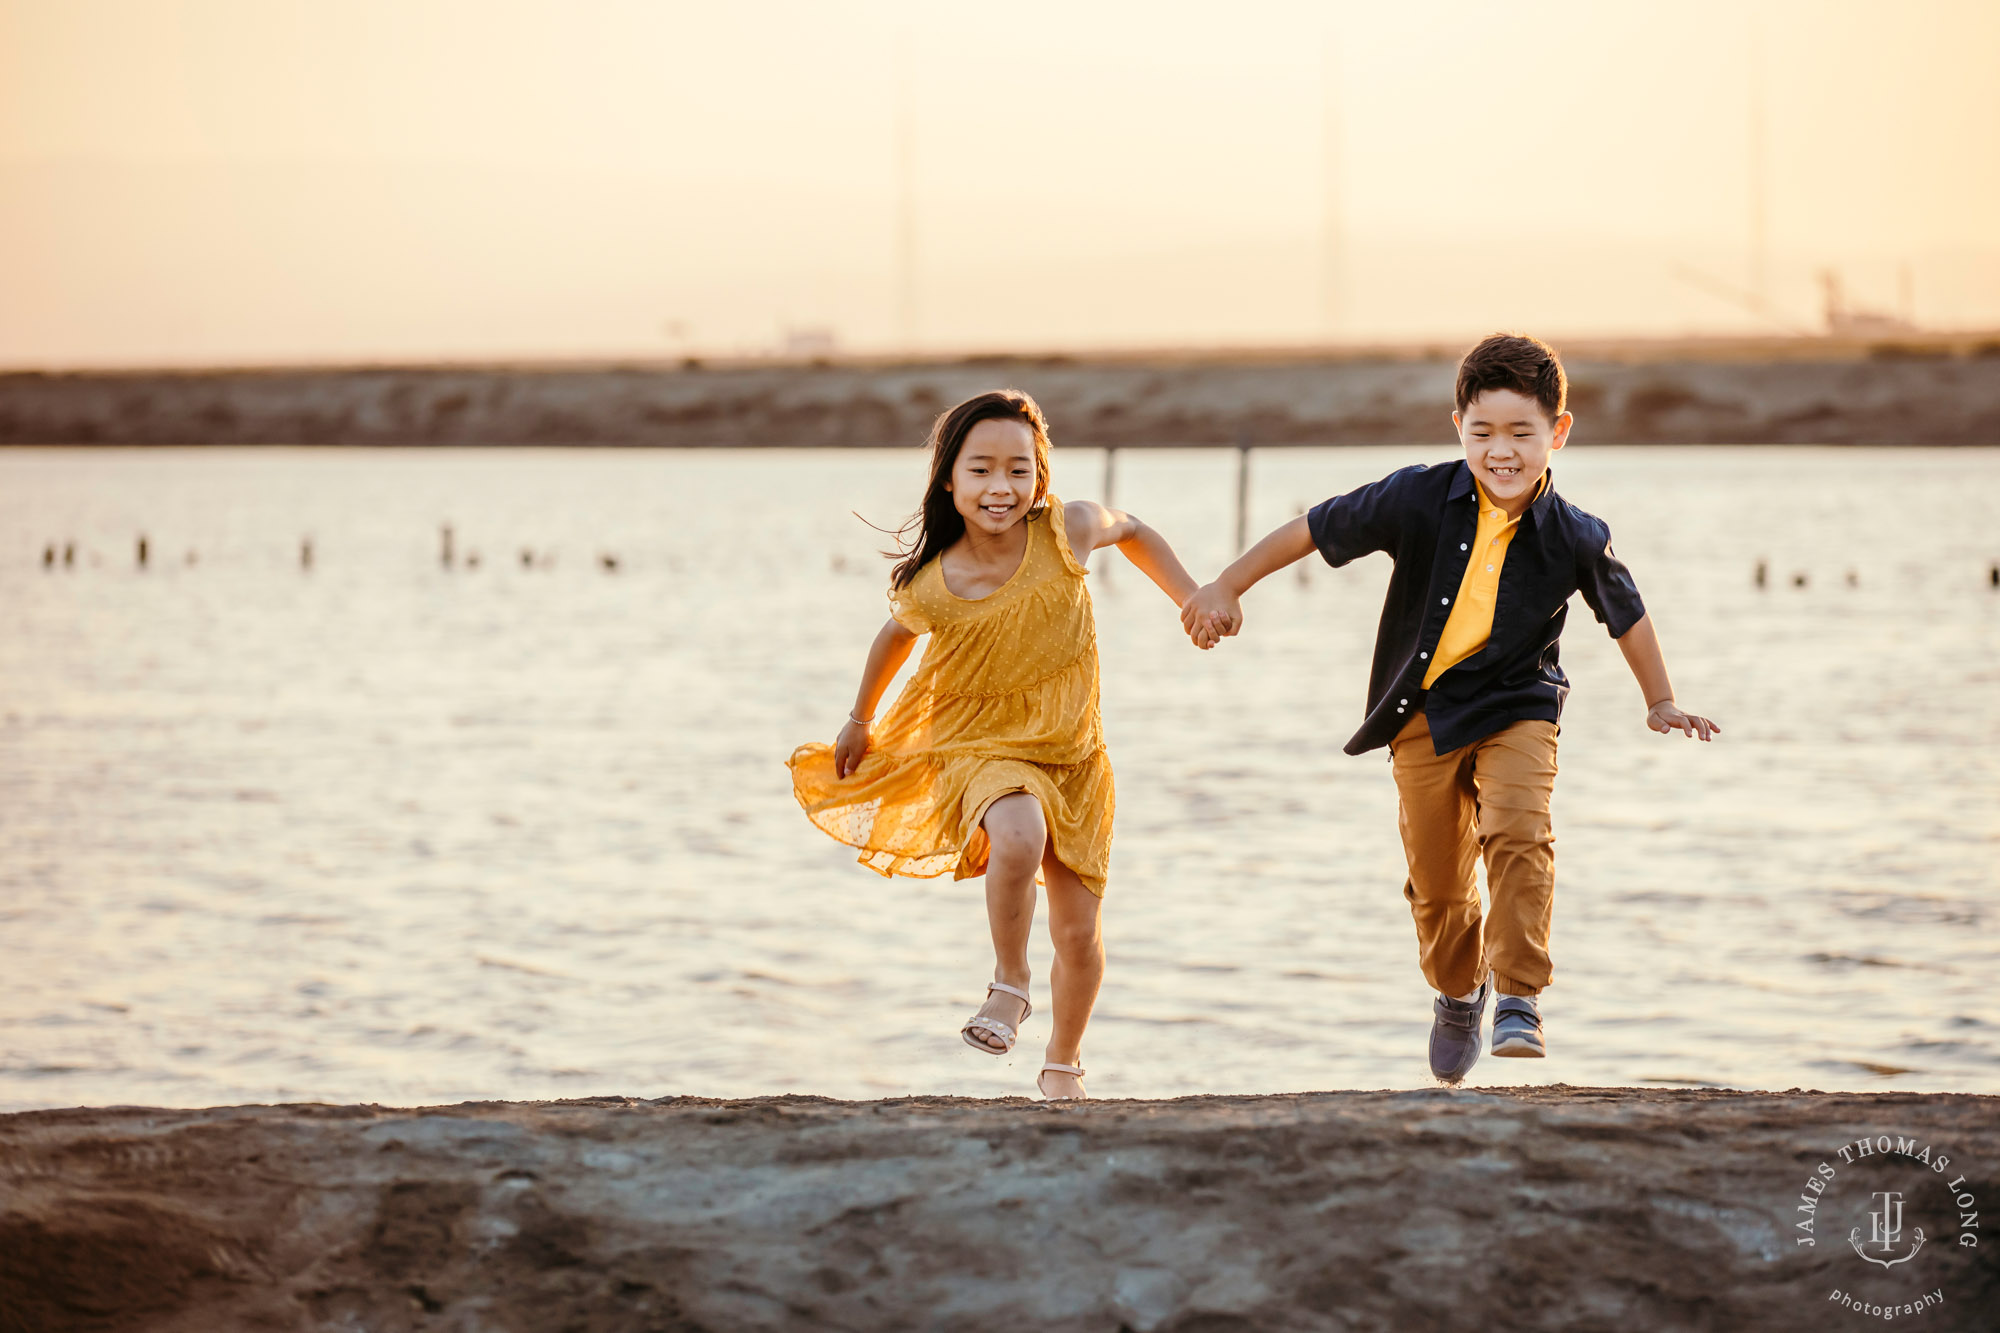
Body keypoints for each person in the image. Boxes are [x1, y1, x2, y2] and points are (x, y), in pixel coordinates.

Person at [1180, 333, 1720, 1084]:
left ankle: (1520, 995)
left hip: (1520, 705)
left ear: (1557, 433)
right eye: (1483, 432)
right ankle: (1460, 994)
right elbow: (1316, 526)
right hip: (1423, 711)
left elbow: (1625, 612)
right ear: (1457, 425)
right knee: (1437, 884)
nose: (1502, 451)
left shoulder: (1576, 533)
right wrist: (1227, 584)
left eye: (1521, 433)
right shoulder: (1417, 497)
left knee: (1519, 830)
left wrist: (1659, 700)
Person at [788, 389, 1201, 1101]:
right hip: (976, 744)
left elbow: (1133, 530)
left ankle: (1063, 1065)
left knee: (1078, 935)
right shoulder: (936, 580)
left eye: (1019, 469)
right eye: (981, 470)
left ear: (1040, 475)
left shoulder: (1066, 531)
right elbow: (893, 637)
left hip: (1074, 756)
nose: (1000, 488)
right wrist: (860, 717)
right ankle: (1009, 981)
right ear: (949, 479)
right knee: (1016, 830)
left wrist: (1192, 596)